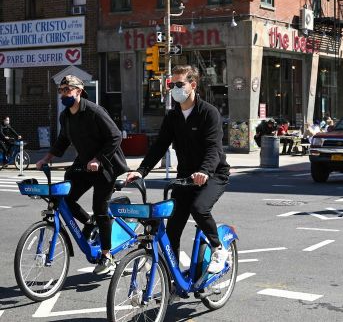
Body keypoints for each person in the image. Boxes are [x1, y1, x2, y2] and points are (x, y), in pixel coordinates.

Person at [125, 65, 230, 274]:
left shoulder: (208, 113)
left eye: (179, 84)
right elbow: (159, 146)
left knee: (199, 208)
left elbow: (214, 148)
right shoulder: (172, 117)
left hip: (213, 174)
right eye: (172, 85)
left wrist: (205, 172)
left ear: (192, 85)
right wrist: (142, 170)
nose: (174, 89)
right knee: (172, 228)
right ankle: (173, 282)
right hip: (185, 177)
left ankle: (218, 248)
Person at [35, 75, 128, 275]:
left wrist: (98, 159)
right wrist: (47, 158)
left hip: (106, 165)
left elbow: (115, 136)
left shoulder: (94, 111)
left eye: (67, 90)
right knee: (65, 199)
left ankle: (106, 256)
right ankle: (89, 222)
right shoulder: (65, 116)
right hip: (85, 164)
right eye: (61, 90)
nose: (64, 94)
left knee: (100, 208)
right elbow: (63, 140)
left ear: (79, 91)